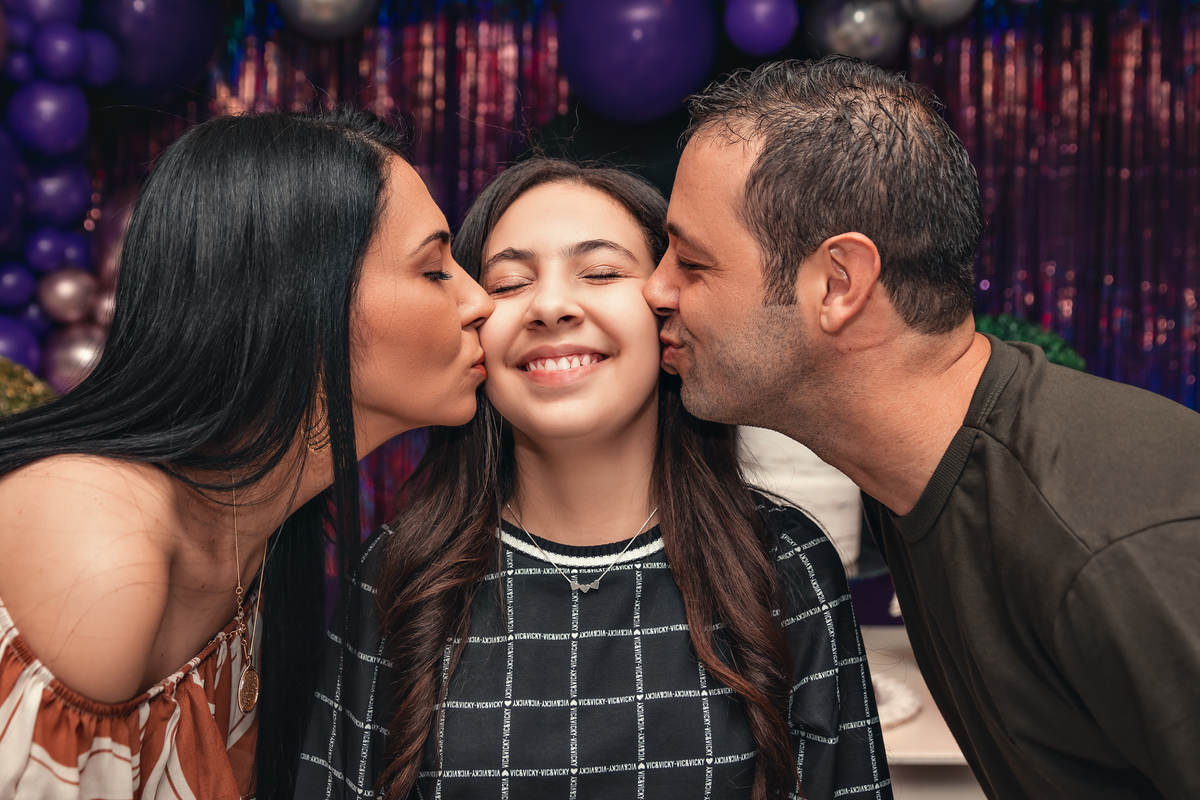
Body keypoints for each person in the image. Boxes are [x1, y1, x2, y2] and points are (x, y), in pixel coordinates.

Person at [643, 55, 1200, 800]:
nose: (656, 288)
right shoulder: (917, 476)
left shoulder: (1104, 541)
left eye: (693, 261)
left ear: (838, 284)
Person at [296, 158, 891, 800]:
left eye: (602, 272)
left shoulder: (786, 564)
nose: (551, 306)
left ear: (669, 307)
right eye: (508, 283)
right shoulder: (398, 575)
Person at [0, 108, 491, 800]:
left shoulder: (258, 541)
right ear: (299, 297)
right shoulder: (103, 545)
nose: (481, 302)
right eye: (435, 268)